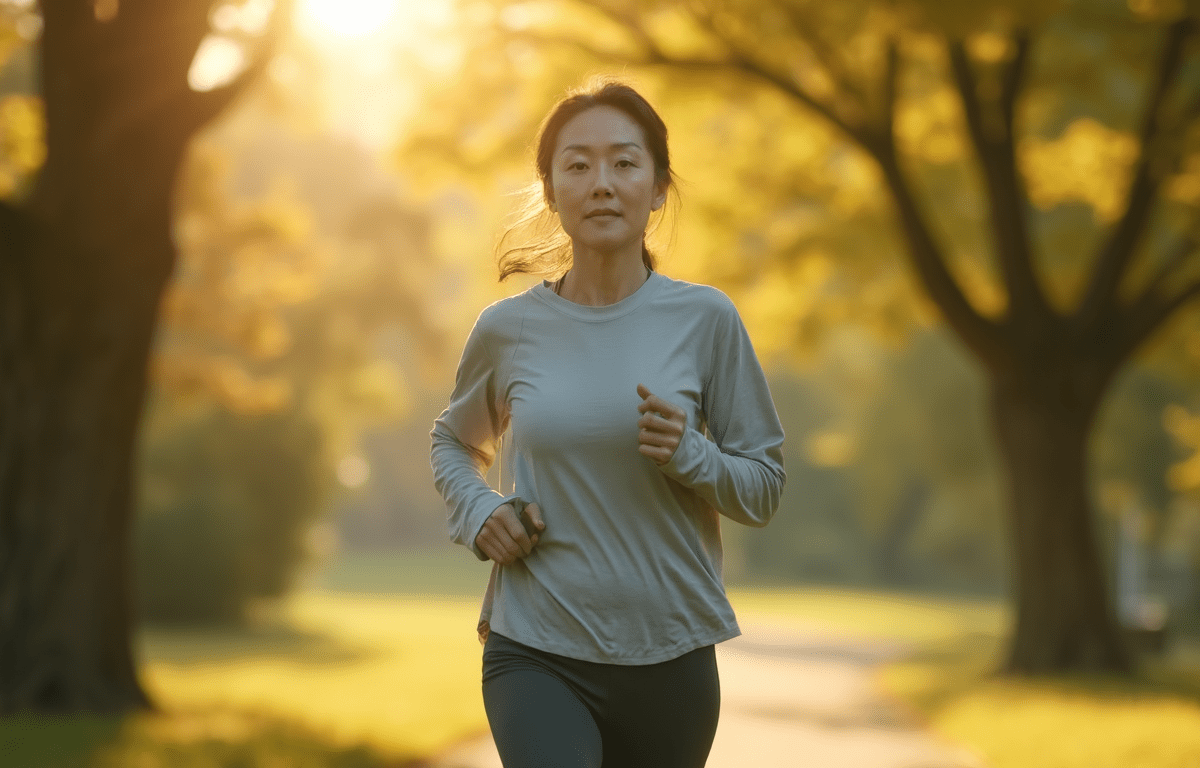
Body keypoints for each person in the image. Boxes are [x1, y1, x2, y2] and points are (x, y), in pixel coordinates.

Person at [430, 79, 786, 768]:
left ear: (656, 189)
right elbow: (453, 440)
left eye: (625, 163)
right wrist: (479, 511)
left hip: (671, 655)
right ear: (551, 189)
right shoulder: (507, 330)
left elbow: (764, 486)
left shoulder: (707, 320)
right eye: (578, 164)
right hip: (535, 647)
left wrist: (694, 456)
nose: (601, 183)